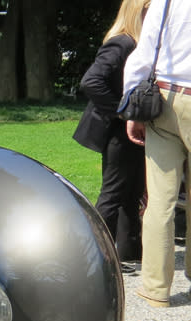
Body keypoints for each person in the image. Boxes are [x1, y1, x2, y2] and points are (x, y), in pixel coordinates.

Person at [123, 0, 191, 308]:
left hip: (164, 97)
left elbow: (144, 53)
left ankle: (155, 289)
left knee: (160, 201)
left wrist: (132, 107)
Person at [73, 0, 149, 274]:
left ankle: (128, 252)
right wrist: (123, 112)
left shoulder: (134, 43)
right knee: (114, 193)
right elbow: (91, 81)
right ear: (139, 12)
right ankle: (94, 256)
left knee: (132, 190)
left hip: (127, 129)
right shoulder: (123, 43)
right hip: (117, 130)